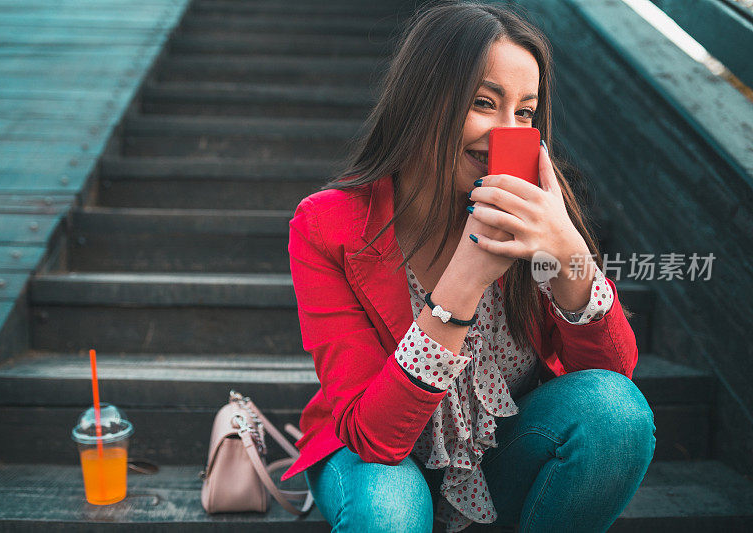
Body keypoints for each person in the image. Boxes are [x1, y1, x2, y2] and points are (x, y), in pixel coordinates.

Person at [279, 1, 656, 532]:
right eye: (484, 102)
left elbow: (608, 385)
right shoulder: (328, 226)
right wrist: (464, 280)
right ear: (423, 99)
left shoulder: (533, 214)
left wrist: (570, 256)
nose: (507, 133)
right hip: (377, 460)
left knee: (616, 411)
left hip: (501, 453)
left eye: (524, 113)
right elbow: (377, 438)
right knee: (389, 508)